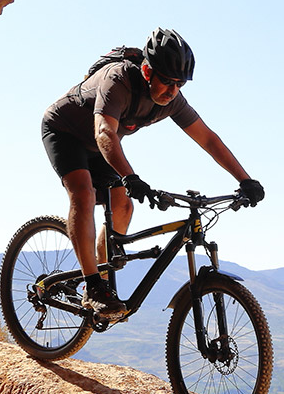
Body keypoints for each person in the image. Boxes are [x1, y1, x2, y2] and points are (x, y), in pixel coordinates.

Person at [38, 27, 265, 317]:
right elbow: (104, 131)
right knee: (83, 194)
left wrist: (245, 179)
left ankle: (101, 274)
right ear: (147, 71)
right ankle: (93, 285)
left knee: (123, 206)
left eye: (180, 84)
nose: (172, 91)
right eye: (167, 81)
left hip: (101, 145)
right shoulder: (118, 80)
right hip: (64, 131)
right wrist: (131, 177)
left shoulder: (172, 101)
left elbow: (208, 139)